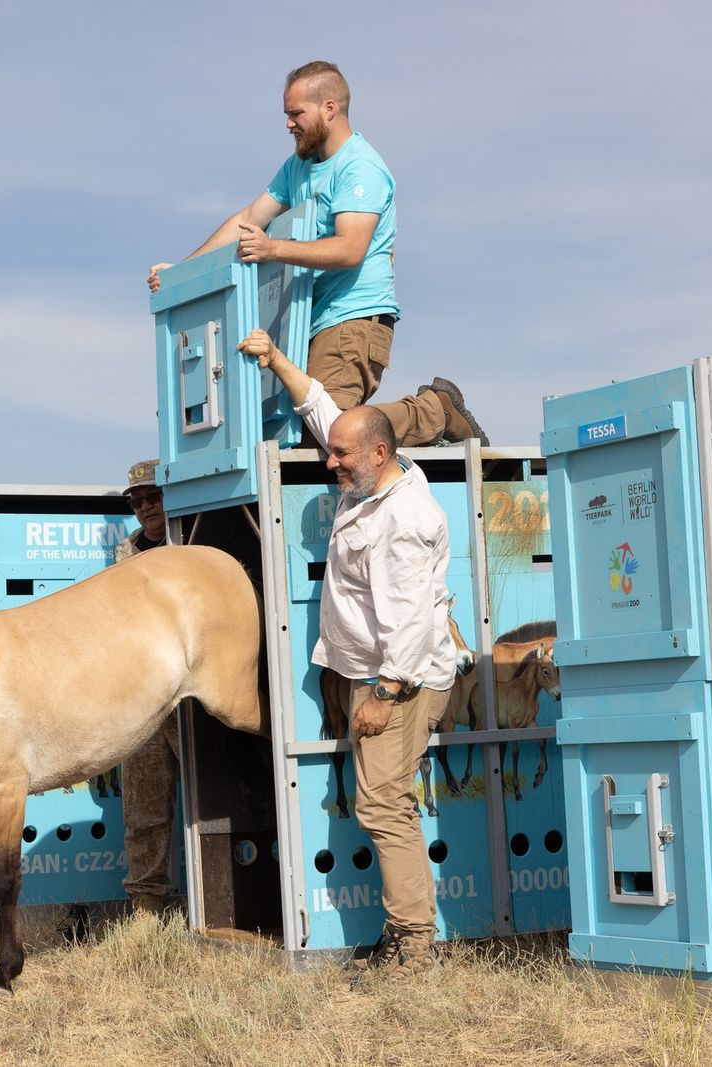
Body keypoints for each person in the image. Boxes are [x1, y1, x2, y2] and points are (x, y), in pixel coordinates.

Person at [238, 326, 455, 981]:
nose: (328, 463)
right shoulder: (370, 468)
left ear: (381, 452)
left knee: (385, 805)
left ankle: (414, 947)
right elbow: (322, 408)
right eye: (332, 453)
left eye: (339, 457)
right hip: (371, 672)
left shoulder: (403, 520)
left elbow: (411, 622)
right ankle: (404, 934)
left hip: (401, 680)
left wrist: (385, 694)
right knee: (380, 802)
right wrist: (274, 358)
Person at [148, 60, 487, 448]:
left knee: (329, 428)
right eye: (286, 114)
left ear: (329, 108)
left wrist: (272, 247)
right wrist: (183, 271)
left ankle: (435, 411)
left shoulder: (360, 167)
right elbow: (248, 218)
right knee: (296, 430)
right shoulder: (299, 167)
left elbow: (350, 249)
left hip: (353, 317)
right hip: (309, 321)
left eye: (295, 114)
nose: (288, 123)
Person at [114, 459, 180, 916]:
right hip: (144, 698)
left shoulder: (192, 541)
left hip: (197, 697)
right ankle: (146, 908)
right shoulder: (126, 555)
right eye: (136, 501)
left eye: (152, 497)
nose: (144, 507)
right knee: (143, 806)